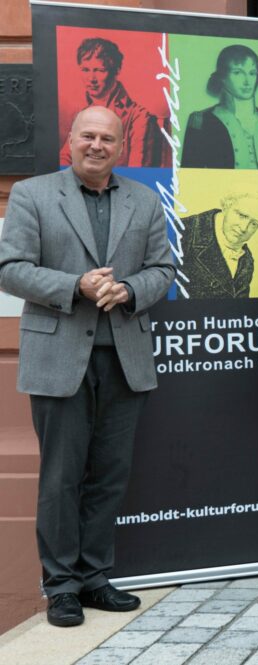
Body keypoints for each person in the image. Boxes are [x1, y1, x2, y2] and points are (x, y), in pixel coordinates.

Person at [0, 106, 174, 627]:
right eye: (88, 136)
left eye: (108, 139)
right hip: (58, 357)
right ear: (69, 142)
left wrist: (129, 289)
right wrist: (74, 285)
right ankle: (61, 587)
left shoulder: (144, 200)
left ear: (122, 147)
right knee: (60, 478)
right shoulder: (32, 195)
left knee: (109, 477)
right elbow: (10, 269)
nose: (97, 146)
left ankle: (96, 577)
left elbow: (163, 268)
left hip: (124, 358)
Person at [60, 37, 166, 168]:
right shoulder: (82, 113)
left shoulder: (140, 118)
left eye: (99, 70)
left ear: (116, 71)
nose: (91, 79)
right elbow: (64, 159)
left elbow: (138, 176)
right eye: (85, 70)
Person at [182, 44, 258, 170]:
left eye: (252, 73)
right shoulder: (201, 121)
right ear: (222, 77)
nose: (247, 81)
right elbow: (190, 176)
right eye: (238, 73)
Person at [178, 192, 258, 299]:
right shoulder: (179, 232)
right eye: (242, 216)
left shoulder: (246, 260)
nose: (243, 228)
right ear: (226, 207)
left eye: (254, 224)